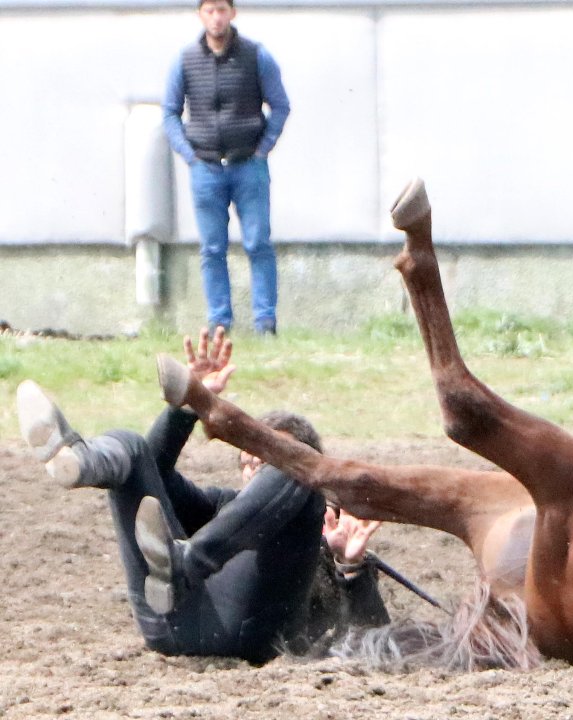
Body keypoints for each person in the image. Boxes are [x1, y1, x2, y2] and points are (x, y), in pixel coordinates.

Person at [14, 329, 387, 664]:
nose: (256, 464)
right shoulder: (226, 509)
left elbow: (374, 631)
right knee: (131, 447)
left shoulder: (323, 528)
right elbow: (155, 473)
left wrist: (350, 566)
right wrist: (190, 403)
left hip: (253, 638)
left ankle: (187, 562)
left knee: (295, 471)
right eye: (249, 459)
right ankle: (79, 460)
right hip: (166, 622)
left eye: (268, 457)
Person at [162, 0, 290, 336]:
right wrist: (188, 154)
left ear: (232, 13)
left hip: (248, 165)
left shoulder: (255, 56)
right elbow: (170, 113)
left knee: (258, 244)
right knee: (212, 249)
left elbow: (280, 105)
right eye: (209, 10)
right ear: (200, 15)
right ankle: (220, 323)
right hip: (205, 168)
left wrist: (264, 148)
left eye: (222, 10)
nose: (216, 18)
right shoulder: (186, 60)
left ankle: (265, 324)